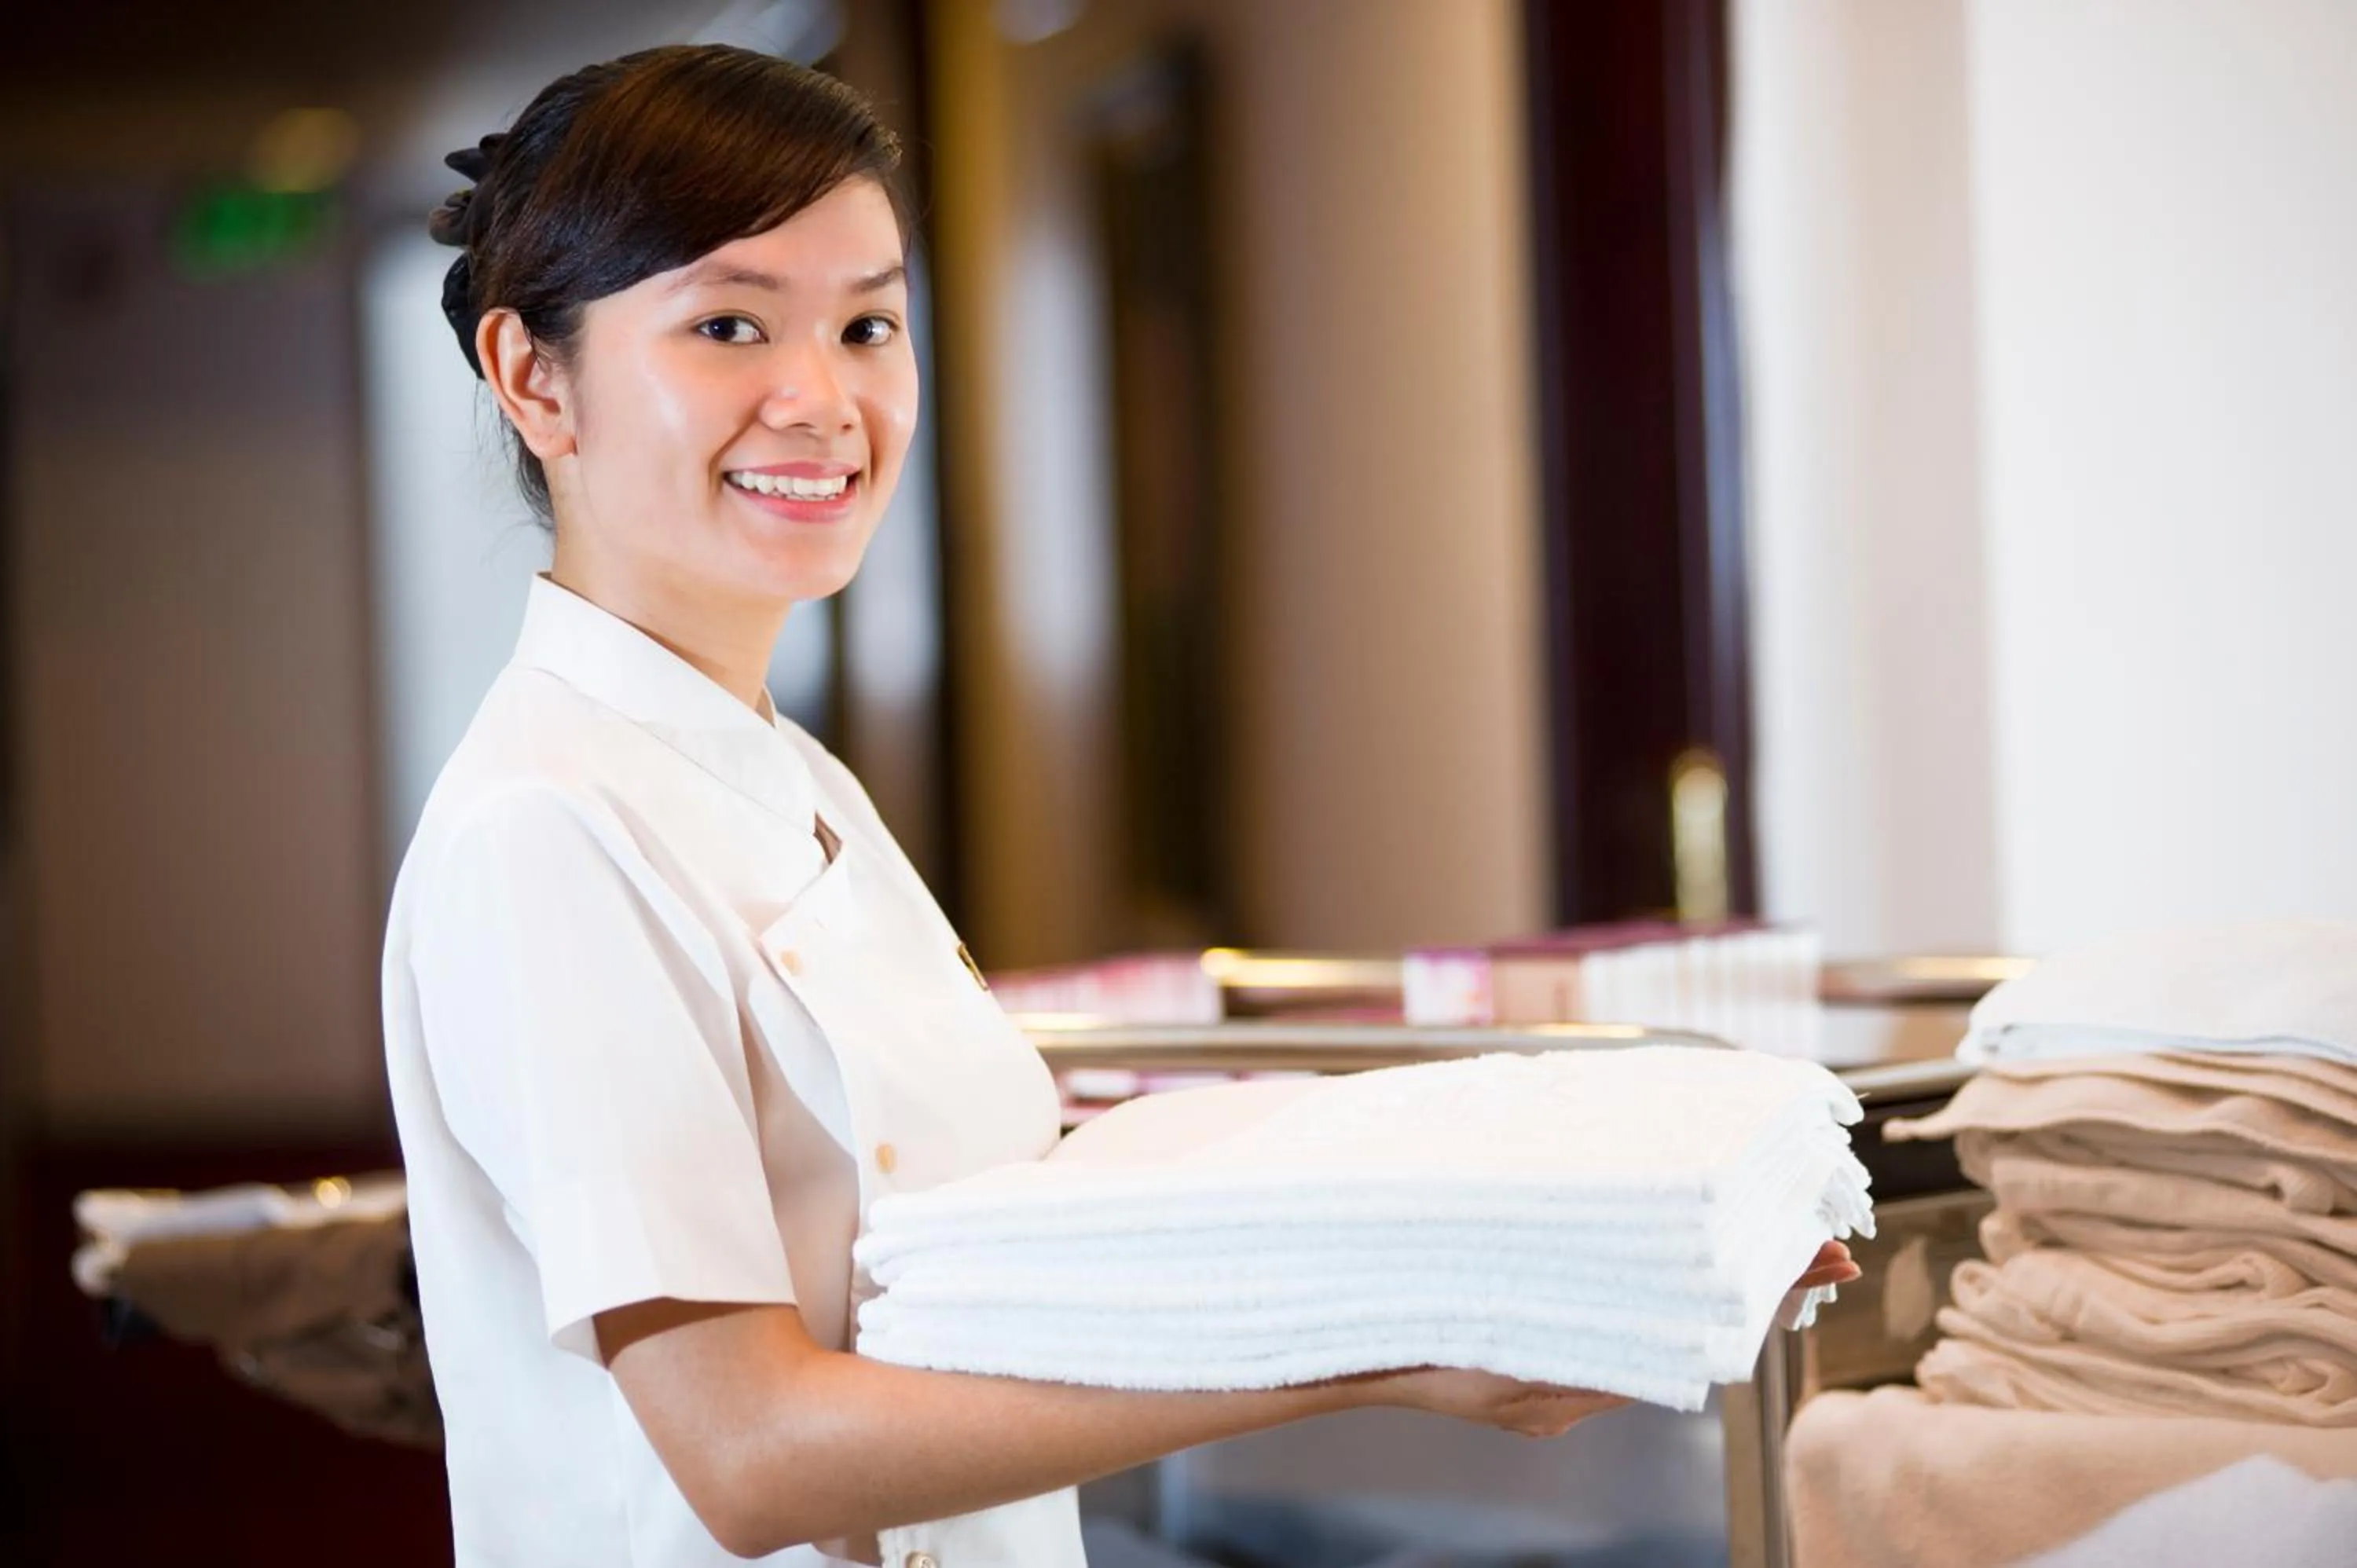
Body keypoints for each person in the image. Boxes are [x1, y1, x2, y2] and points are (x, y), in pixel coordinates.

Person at [379, 44, 1860, 1568]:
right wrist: (1381, 1352)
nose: (822, 398)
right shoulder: (543, 828)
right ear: (533, 375)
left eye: (870, 321)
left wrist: (1526, 1210)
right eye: (730, 323)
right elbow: (749, 1456)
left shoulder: (783, 774)